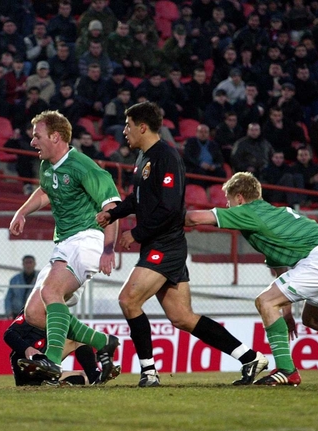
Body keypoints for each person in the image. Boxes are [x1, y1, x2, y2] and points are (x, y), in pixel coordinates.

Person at [96, 102, 268, 387]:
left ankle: (149, 372)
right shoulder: (143, 158)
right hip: (157, 243)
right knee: (182, 317)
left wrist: (136, 234)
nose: (124, 131)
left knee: (128, 300)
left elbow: (170, 209)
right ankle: (250, 357)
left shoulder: (167, 157)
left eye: (127, 126)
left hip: (165, 244)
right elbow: (137, 200)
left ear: (142, 127)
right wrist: (113, 213)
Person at [9, 110, 122, 383]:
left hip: (88, 238)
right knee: (34, 314)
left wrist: (108, 249)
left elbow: (112, 207)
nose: (33, 142)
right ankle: (103, 341)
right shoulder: (48, 165)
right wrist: (22, 211)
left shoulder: (84, 166)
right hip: (64, 243)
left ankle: (53, 360)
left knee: (51, 291)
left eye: (37, 136)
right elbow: (46, 190)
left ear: (56, 136)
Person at [184, 172, 318, 385]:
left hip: (316, 259)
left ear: (239, 198)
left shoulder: (248, 211)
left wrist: (161, 216)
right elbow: (281, 270)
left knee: (265, 301)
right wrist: (286, 312)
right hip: (311, 260)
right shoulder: (273, 214)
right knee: (311, 319)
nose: (228, 206)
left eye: (229, 201)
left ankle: (287, 370)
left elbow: (193, 218)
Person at [4, 313, 117, 386]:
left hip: (45, 359)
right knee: (80, 378)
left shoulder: (59, 313)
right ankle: (58, 382)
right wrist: (27, 349)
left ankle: (95, 377)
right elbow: (9, 334)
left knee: (79, 341)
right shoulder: (32, 311)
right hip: (27, 364)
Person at [4, 255, 37, 320]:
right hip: (17, 313)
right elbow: (8, 297)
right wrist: (9, 312)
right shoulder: (15, 279)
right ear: (23, 264)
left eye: (30, 262)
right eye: (26, 263)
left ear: (34, 264)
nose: (28, 265)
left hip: (35, 313)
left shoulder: (41, 279)